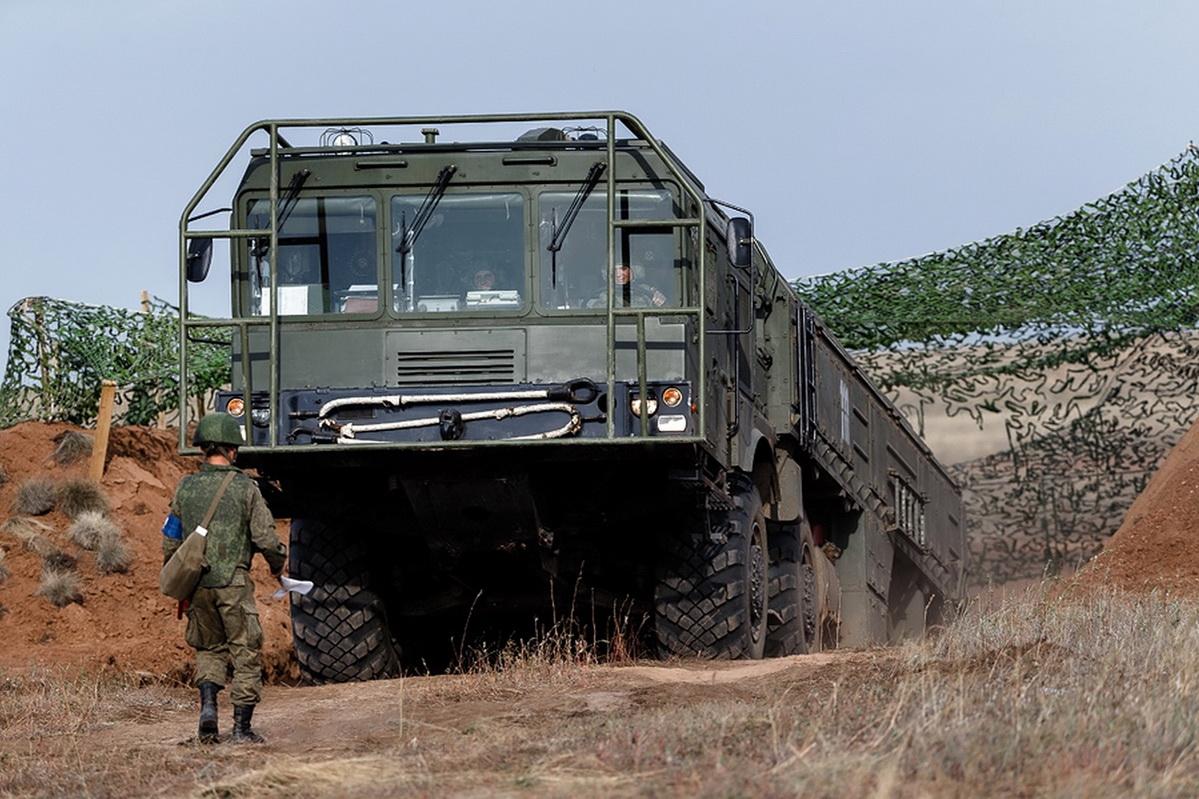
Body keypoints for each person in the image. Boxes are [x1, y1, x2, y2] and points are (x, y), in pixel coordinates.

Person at [162, 413, 286, 744]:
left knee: (208, 649)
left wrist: (179, 578)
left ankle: (208, 714)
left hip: (197, 585)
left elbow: (171, 537)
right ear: (233, 450)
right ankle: (242, 729)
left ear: (202, 448)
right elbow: (266, 539)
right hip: (233, 583)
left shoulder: (185, 487)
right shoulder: (246, 488)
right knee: (245, 650)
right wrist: (278, 565)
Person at [586, 262, 668, 308]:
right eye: (614, 270)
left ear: (633, 270)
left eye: (623, 269)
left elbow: (664, 311)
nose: (618, 274)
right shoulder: (600, 293)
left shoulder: (647, 291)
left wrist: (659, 302)